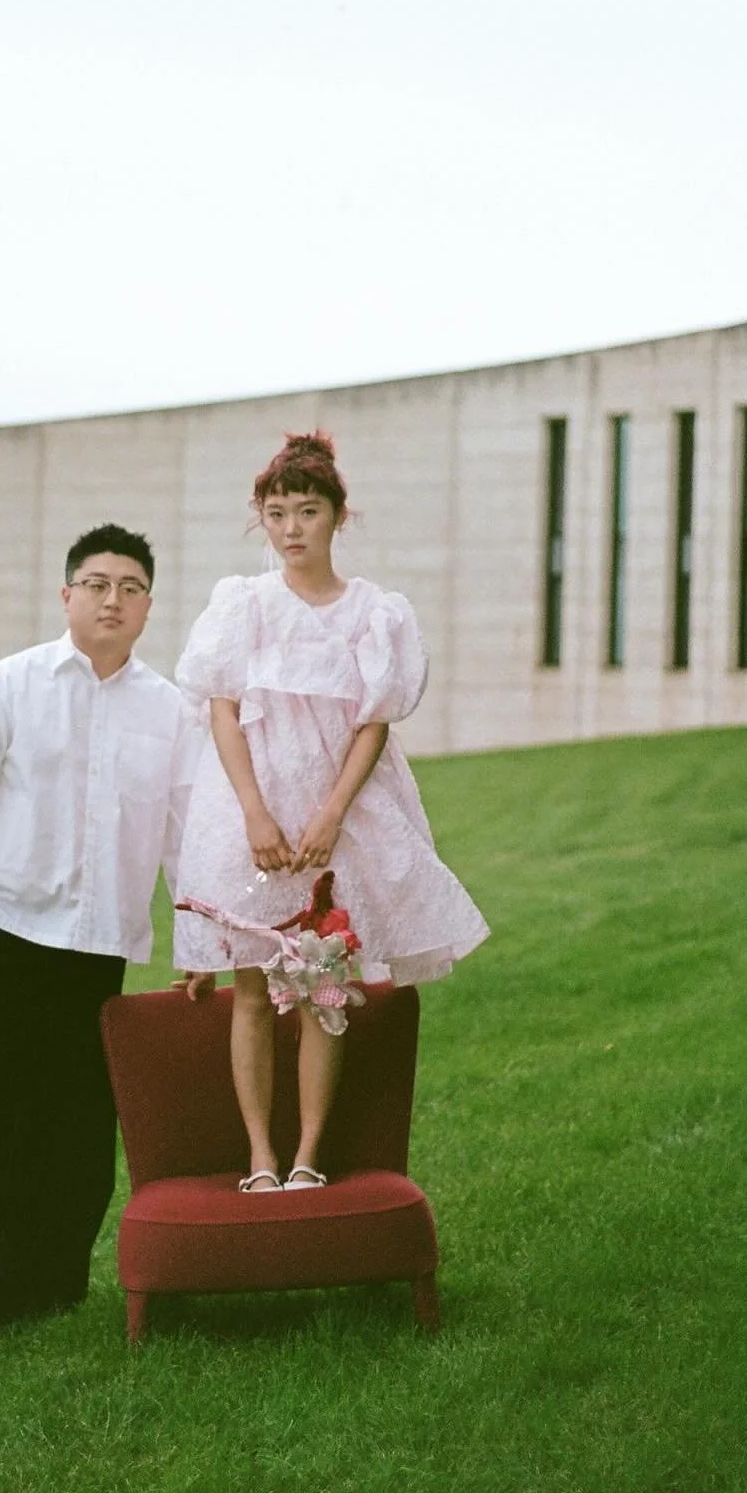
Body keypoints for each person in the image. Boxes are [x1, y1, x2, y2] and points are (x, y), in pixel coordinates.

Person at [0, 523, 199, 1354]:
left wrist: (199, 942)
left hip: (95, 949)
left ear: (148, 607)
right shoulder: (8, 687)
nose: (114, 599)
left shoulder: (169, 711)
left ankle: (38, 1289)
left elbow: (185, 834)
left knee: (69, 1137)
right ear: (66, 595)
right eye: (97, 584)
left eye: (131, 587)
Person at [172, 433, 489, 1193]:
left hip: (335, 815)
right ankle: (260, 1156)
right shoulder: (241, 605)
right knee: (252, 989)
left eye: (306, 511)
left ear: (337, 516)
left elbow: (373, 723)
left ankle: (310, 1153)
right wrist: (255, 814)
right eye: (275, 513)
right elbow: (223, 710)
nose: (290, 529)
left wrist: (331, 818)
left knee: (323, 984)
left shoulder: (374, 614)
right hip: (254, 815)